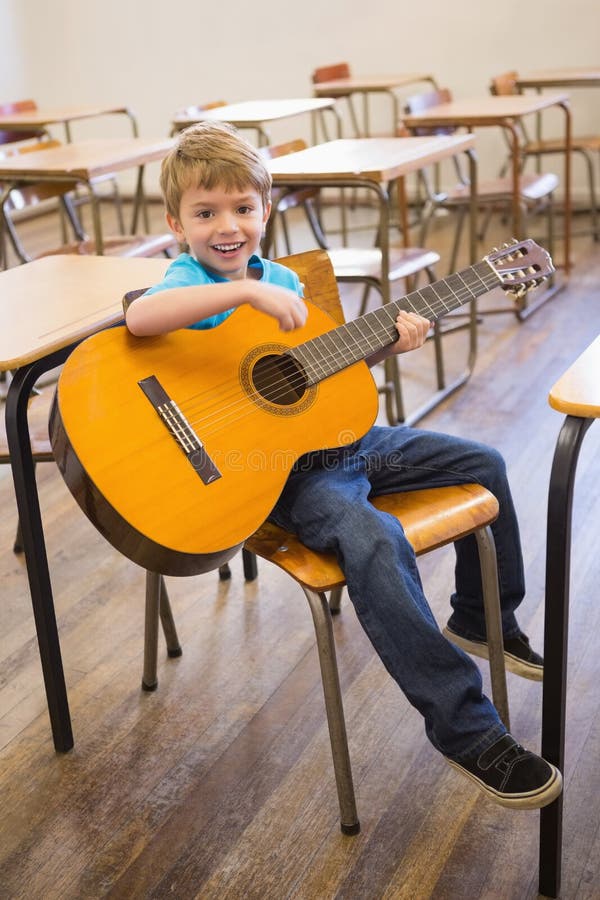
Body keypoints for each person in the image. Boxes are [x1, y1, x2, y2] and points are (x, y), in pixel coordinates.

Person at [125, 121, 561, 810]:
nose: (228, 226)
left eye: (243, 208)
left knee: (485, 463)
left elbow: (322, 373)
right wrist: (241, 293)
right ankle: (468, 731)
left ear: (266, 210)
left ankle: (484, 618)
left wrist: (388, 345)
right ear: (176, 223)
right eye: (206, 213)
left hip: (347, 443)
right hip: (278, 471)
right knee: (374, 538)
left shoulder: (288, 279)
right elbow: (144, 319)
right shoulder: (188, 281)